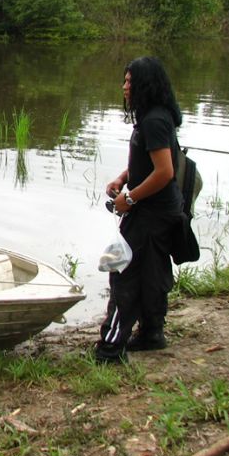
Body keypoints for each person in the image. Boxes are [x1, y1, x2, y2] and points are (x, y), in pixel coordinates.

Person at [95, 57, 186, 365]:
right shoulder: (155, 117)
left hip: (150, 214)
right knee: (153, 273)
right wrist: (123, 178)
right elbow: (149, 162)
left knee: (124, 274)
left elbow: (164, 172)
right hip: (161, 211)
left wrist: (129, 198)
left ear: (144, 85)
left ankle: (110, 348)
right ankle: (151, 334)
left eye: (130, 82)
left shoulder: (154, 121)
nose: (124, 87)